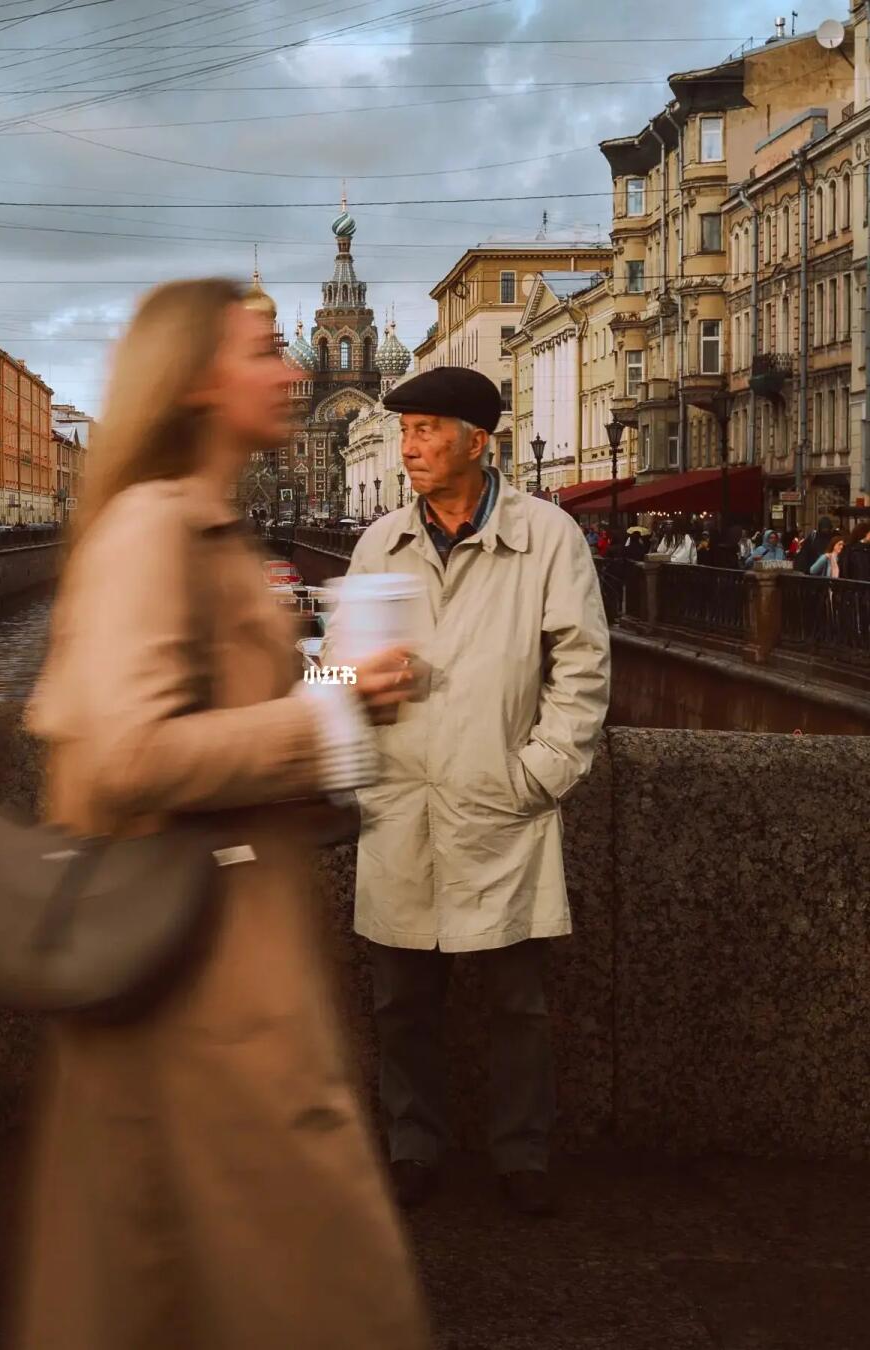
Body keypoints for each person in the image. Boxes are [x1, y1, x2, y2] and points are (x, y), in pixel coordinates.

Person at [12, 279, 432, 1350]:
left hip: (228, 959)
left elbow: (253, 707)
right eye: (262, 351)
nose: (293, 371)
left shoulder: (206, 527)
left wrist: (343, 684)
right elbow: (126, 756)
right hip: (189, 972)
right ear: (198, 381)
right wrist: (325, 719)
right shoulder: (150, 530)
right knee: (276, 1278)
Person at [329, 366, 610, 1219]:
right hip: (400, 804)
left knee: (518, 1002)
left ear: (477, 442)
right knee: (401, 1001)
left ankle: (522, 1154)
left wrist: (540, 774)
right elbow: (331, 671)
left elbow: (582, 668)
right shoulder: (379, 544)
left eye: (425, 431)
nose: (407, 448)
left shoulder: (547, 537)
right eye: (404, 430)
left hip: (499, 803)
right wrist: (349, 680)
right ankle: (413, 1145)